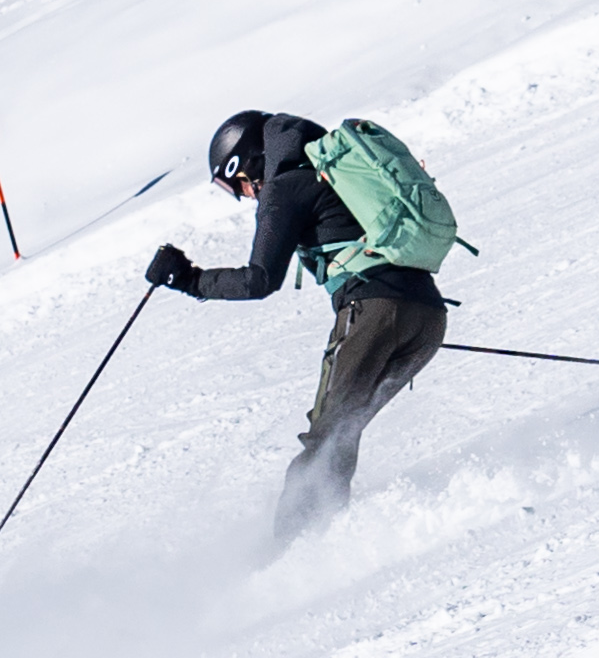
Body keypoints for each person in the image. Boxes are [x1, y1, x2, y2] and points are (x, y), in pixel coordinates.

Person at [150, 109, 460, 540]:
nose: (244, 196)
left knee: (327, 439)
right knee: (340, 433)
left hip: (376, 311)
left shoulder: (283, 189)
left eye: (235, 183)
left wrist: (188, 279)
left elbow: (258, 280)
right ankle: (328, 536)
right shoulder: (330, 173)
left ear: (250, 164)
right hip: (427, 318)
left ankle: (291, 552)